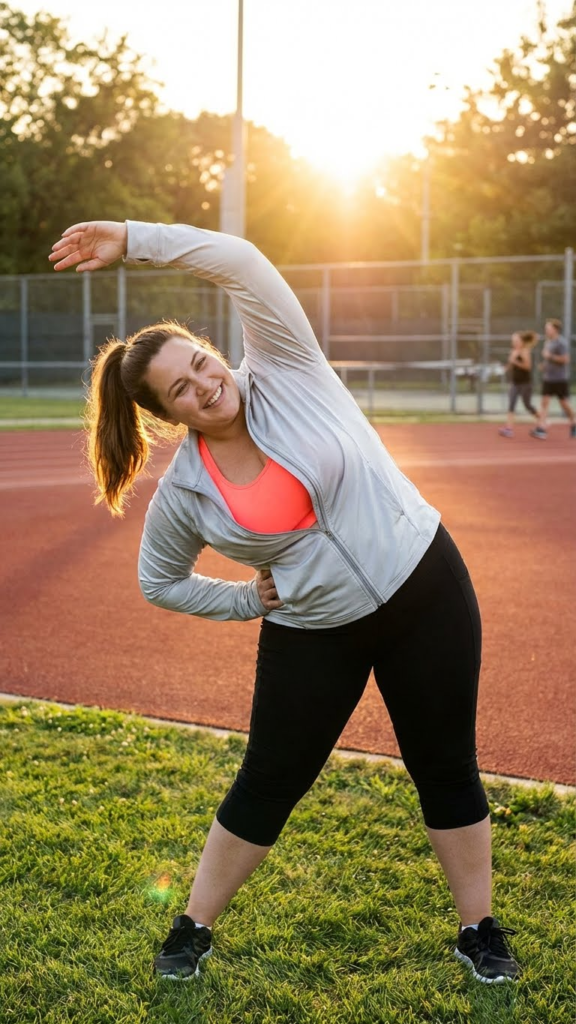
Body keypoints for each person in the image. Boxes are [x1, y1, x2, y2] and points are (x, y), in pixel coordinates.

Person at [49, 219, 521, 986]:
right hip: (314, 629)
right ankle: (191, 927)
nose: (206, 385)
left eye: (200, 364)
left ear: (212, 351)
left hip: (425, 586)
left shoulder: (287, 365)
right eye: (182, 391)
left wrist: (134, 238)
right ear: (171, 416)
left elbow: (239, 261)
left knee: (444, 764)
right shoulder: (187, 491)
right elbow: (158, 581)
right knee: (270, 776)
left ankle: (480, 928)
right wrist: (244, 603)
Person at [530, 318, 576, 439]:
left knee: (564, 404)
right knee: (544, 402)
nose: (546, 330)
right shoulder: (548, 342)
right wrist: (544, 366)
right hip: (548, 378)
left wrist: (549, 356)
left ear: (555, 330)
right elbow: (549, 360)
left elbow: (565, 360)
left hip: (559, 379)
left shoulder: (561, 343)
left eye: (548, 328)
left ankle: (574, 423)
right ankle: (541, 428)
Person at [498, 330, 539, 438]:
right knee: (511, 404)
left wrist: (515, 361)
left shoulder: (525, 351)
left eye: (516, 340)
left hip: (525, 383)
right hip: (515, 383)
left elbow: (528, 367)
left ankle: (541, 421)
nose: (514, 342)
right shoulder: (514, 351)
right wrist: (506, 368)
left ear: (521, 341)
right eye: (513, 341)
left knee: (528, 405)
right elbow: (511, 364)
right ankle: (509, 429)